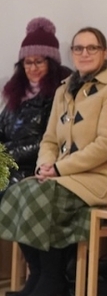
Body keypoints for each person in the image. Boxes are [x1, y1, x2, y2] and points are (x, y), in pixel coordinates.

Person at [0, 27, 107, 296]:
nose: (85, 53)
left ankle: (51, 279)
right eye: (78, 48)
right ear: (72, 53)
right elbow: (49, 139)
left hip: (100, 178)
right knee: (17, 192)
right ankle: (37, 274)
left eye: (92, 48)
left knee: (41, 197)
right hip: (65, 176)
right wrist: (45, 165)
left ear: (104, 53)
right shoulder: (64, 90)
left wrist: (60, 169)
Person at [0, 18, 71, 193]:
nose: (33, 68)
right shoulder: (16, 91)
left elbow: (48, 140)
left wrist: (6, 154)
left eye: (39, 61)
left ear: (51, 63)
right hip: (9, 165)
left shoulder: (61, 92)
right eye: (28, 62)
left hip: (35, 169)